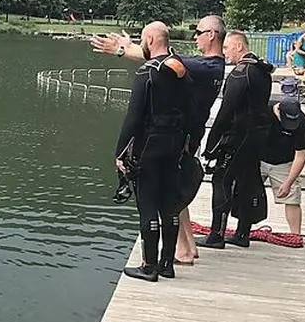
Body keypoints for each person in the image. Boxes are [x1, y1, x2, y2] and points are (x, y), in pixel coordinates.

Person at [90, 14, 227, 265]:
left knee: (169, 196)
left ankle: (181, 251)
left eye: (198, 32)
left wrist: (123, 50)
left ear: (212, 35)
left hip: (181, 140)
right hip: (185, 137)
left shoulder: (207, 68)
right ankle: (188, 246)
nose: (195, 36)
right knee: (174, 194)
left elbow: (160, 60)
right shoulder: (209, 65)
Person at [111, 21, 192, 282]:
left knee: (147, 205)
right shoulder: (182, 70)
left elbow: (133, 118)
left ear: (152, 39)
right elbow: (191, 110)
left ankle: (149, 266)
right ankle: (167, 264)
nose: (142, 43)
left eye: (143, 39)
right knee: (170, 204)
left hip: (150, 146)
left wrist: (120, 153)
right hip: (175, 145)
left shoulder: (147, 73)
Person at [199, 31, 275, 249]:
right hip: (257, 136)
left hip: (238, 136)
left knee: (221, 180)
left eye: (227, 48)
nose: (224, 53)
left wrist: (212, 143)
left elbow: (226, 111)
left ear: (239, 47)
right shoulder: (262, 71)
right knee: (248, 181)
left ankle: (216, 234)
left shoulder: (240, 73)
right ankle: (243, 233)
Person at [260, 97, 305, 234]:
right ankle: (241, 230)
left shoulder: (302, 122)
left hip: (285, 162)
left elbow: (301, 156)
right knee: (244, 191)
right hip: (257, 158)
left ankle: (295, 235)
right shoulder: (264, 110)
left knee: (293, 197)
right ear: (278, 110)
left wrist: (289, 182)